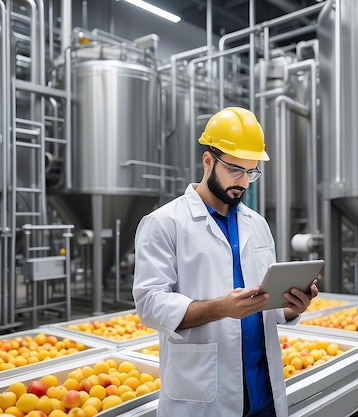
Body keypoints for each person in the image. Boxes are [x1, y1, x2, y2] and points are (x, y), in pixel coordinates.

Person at [132, 107, 319, 417]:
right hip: (204, 397)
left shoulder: (257, 224)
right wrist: (221, 308)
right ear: (208, 161)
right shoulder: (164, 223)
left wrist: (289, 307)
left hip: (264, 395)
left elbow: (264, 304)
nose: (244, 181)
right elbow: (150, 305)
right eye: (235, 170)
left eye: (251, 171)